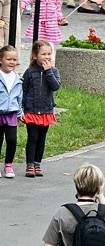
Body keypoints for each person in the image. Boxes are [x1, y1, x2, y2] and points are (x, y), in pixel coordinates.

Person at [42, 163, 105, 246]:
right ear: (99, 187)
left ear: (76, 185)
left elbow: (49, 245)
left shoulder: (63, 213)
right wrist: (101, 195)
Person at [22, 40, 60, 178]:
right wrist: (22, 109)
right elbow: (24, 90)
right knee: (32, 137)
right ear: (35, 55)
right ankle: (30, 164)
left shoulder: (54, 71)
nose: (47, 57)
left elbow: (55, 86)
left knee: (41, 138)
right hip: (31, 110)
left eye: (49, 54)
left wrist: (48, 71)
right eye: (43, 54)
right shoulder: (30, 72)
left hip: (45, 111)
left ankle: (38, 163)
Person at [0, 45, 22, 178]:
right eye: (9, 59)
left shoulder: (17, 79)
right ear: (1, 60)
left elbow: (20, 97)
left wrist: (20, 112)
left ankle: (9, 164)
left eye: (14, 60)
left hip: (12, 114)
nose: (12, 62)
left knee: (12, 140)